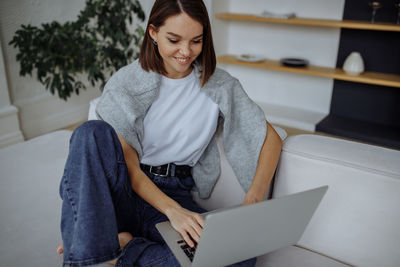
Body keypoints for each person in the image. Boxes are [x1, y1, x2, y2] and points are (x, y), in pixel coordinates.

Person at [57, 0, 282, 266]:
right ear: (153, 32)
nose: (185, 52)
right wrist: (174, 212)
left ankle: (124, 250)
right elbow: (130, 168)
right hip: (126, 192)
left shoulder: (221, 85)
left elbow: (271, 138)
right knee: (90, 133)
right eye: (174, 40)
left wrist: (252, 202)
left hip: (176, 191)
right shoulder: (126, 82)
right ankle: (90, 249)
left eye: (196, 41)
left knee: (238, 253)